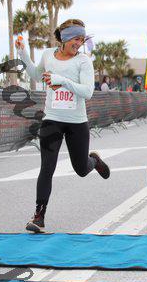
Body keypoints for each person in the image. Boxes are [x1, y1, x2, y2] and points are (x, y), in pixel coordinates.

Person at [15, 18, 110, 233]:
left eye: (82, 40)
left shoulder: (83, 61)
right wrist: (22, 53)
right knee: (47, 168)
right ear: (65, 38)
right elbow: (35, 74)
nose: (79, 43)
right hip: (52, 119)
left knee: (81, 169)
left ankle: (94, 161)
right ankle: (39, 217)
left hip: (77, 122)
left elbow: (88, 91)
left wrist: (62, 80)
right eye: (76, 39)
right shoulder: (48, 55)